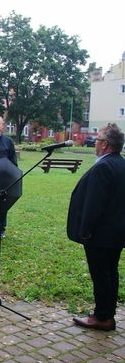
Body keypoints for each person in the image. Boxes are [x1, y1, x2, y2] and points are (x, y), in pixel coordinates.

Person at [67, 123, 125, 331]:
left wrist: (85, 230)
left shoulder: (103, 167)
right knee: (110, 273)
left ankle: (102, 317)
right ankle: (107, 313)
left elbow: (94, 204)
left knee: (101, 275)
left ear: (105, 145)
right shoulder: (121, 163)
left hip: (101, 235)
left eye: (98, 139)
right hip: (117, 232)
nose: (95, 142)